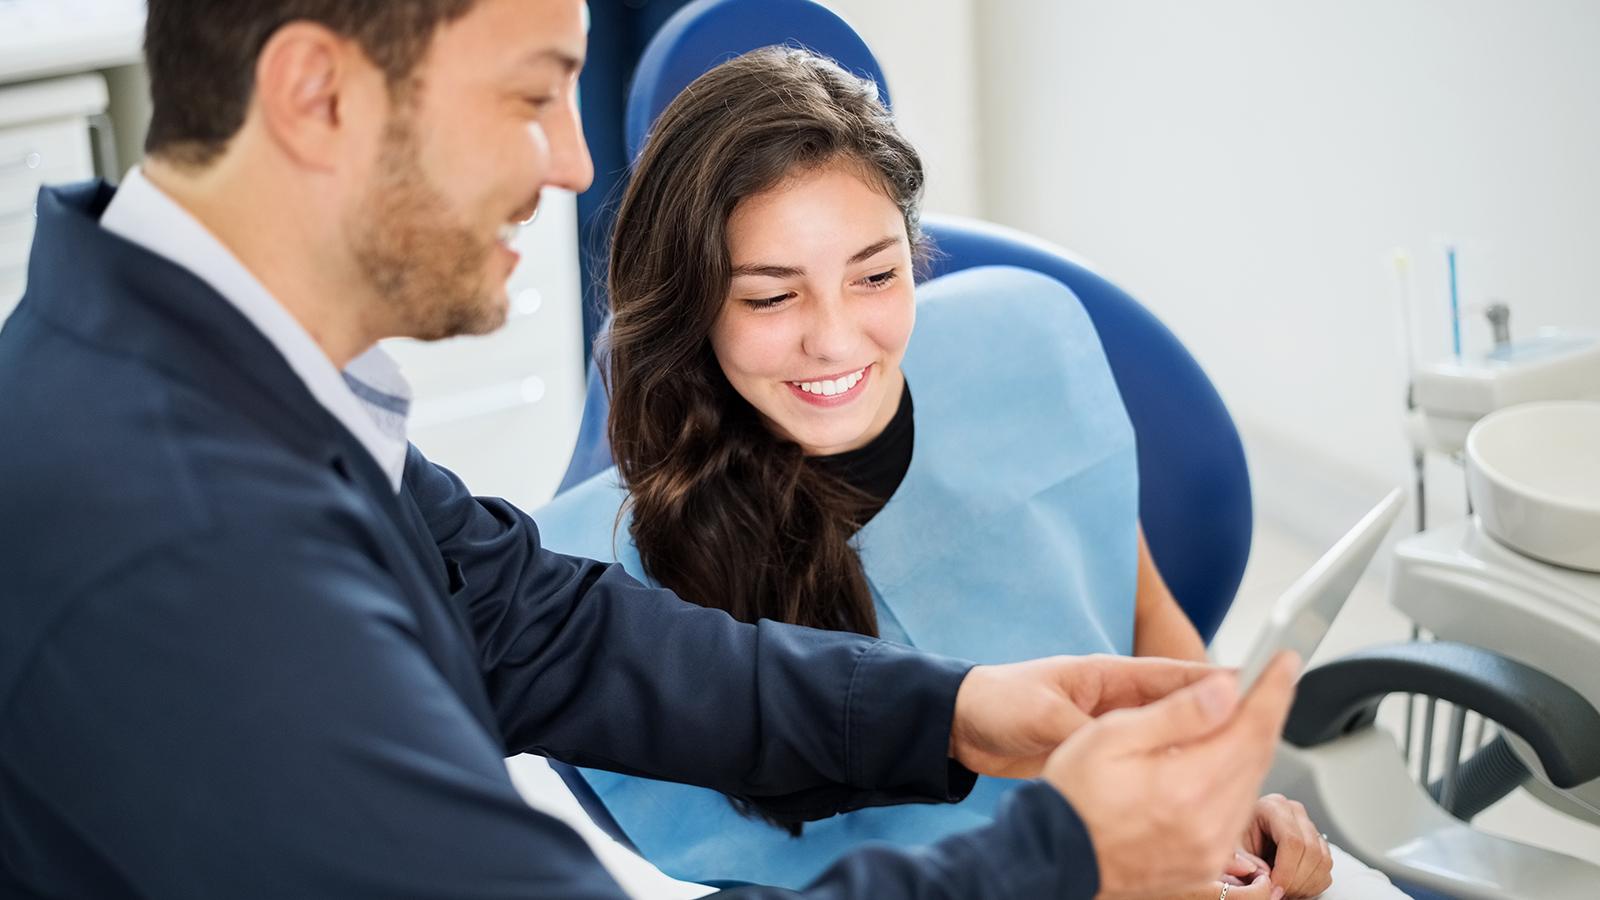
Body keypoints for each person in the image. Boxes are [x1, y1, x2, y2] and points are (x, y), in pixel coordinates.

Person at [0, 1, 1302, 898]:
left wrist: (953, 710)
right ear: (315, 93)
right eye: (532, 96)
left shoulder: (235, 386)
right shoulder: (184, 549)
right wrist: (1072, 863)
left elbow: (545, 629)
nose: (572, 163)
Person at [535, 47, 1402, 899]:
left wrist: (1221, 805)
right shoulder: (609, 592)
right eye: (771, 296)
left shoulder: (1020, 350)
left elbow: (1140, 614)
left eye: (875, 275)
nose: (836, 338)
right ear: (691, 303)